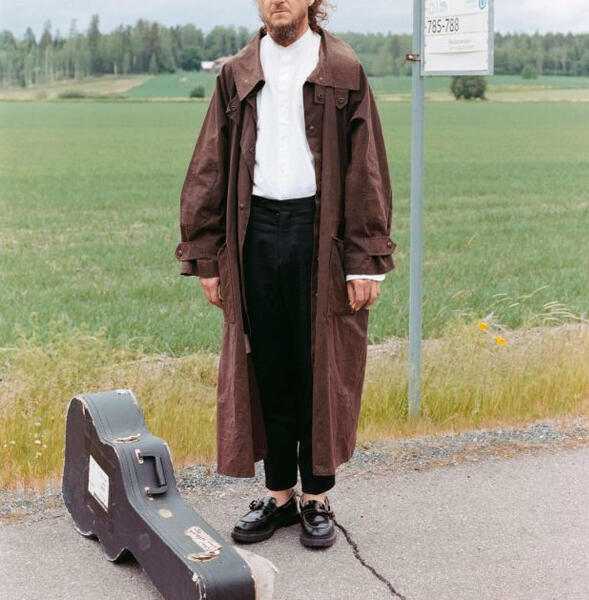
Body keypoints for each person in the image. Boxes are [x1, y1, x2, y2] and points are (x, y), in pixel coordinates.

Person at [175, 0, 396, 549]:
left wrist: (364, 259)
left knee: (318, 364)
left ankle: (316, 497)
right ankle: (278, 496)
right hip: (253, 230)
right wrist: (206, 254)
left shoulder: (342, 69)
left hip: (321, 232)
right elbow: (210, 162)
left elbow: (366, 167)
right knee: (267, 363)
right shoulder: (237, 72)